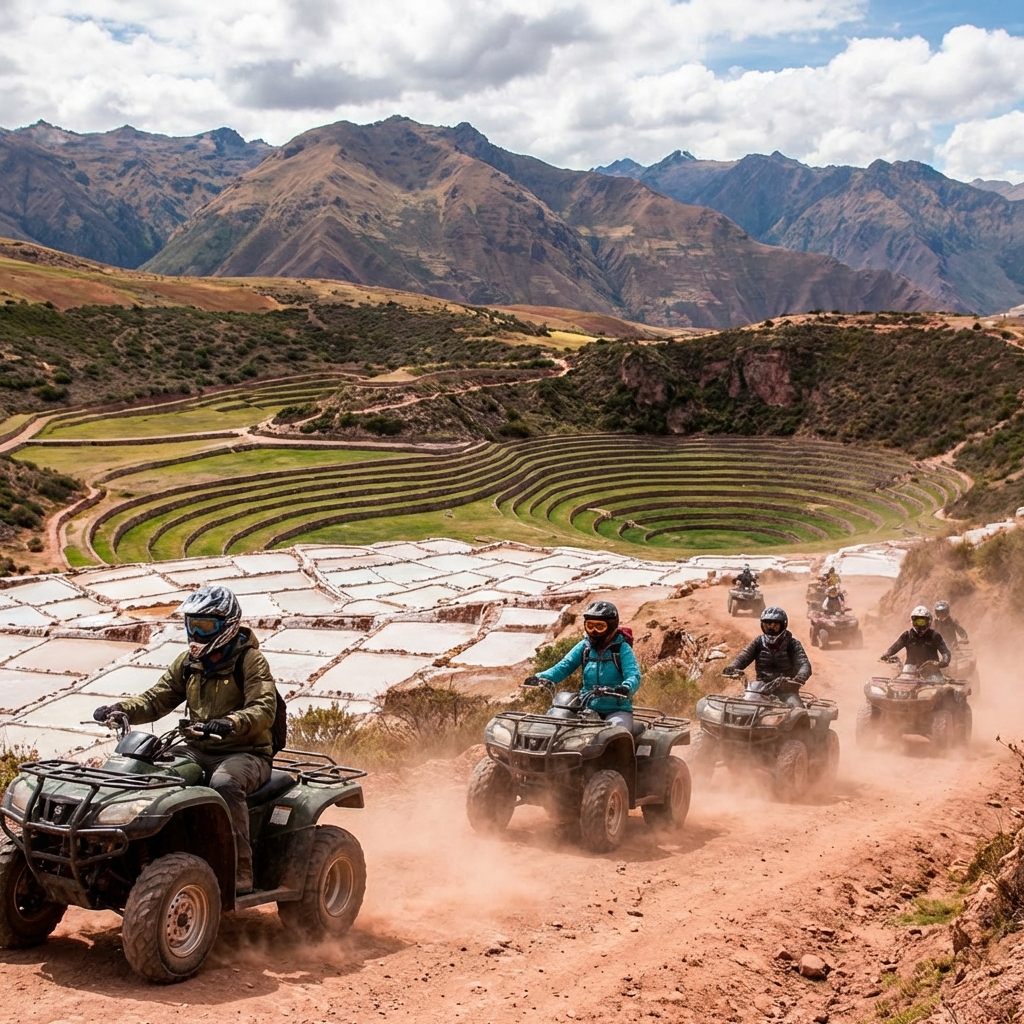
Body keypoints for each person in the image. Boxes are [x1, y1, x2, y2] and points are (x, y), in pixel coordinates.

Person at [92, 585, 277, 893]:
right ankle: (145, 853)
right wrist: (120, 708)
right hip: (196, 749)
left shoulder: (251, 662)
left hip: (246, 752)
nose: (195, 632)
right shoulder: (188, 664)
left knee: (224, 785)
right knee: (154, 776)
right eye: (191, 624)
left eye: (204, 625)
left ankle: (240, 869)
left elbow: (264, 708)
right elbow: (156, 699)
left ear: (227, 624)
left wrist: (231, 723)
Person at [527, 600, 640, 731]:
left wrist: (626, 688)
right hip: (586, 707)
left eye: (599, 626)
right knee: (558, 729)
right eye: (590, 625)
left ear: (611, 626)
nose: (594, 631)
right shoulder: (585, 646)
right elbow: (565, 665)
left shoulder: (622, 649)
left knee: (618, 733)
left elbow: (634, 674)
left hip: (616, 709)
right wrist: (542, 677)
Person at [721, 606, 812, 707]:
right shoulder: (758, 642)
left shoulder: (792, 644)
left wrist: (801, 675)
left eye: (775, 625)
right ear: (762, 625)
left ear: (783, 625)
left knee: (797, 709)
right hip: (760, 689)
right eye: (767, 625)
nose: (771, 628)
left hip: (786, 690)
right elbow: (744, 656)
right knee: (739, 708)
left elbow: (803, 663)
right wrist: (733, 667)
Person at [879, 605, 950, 678]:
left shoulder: (935, 636)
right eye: (917, 621)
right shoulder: (907, 635)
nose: (919, 625)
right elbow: (894, 647)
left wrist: (944, 661)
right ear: (912, 621)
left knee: (940, 687)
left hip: (931, 670)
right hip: (909, 669)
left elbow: (945, 652)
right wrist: (886, 655)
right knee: (901, 685)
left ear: (929, 621)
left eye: (922, 622)